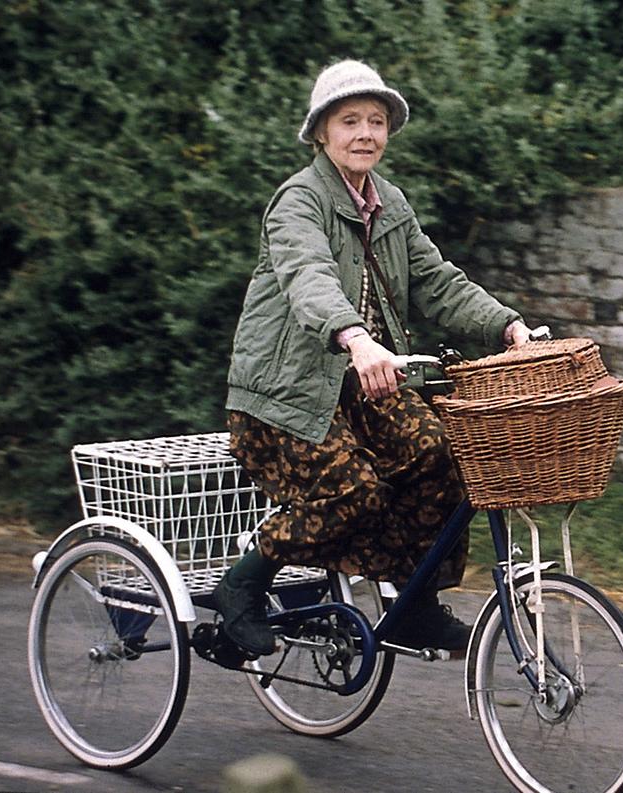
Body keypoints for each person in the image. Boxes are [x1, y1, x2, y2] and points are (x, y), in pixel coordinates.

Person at [215, 59, 531, 658]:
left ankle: (413, 602)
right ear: (321, 132)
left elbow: (437, 281)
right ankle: (243, 584)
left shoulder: (389, 203)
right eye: (350, 120)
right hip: (284, 396)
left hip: (362, 390)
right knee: (353, 489)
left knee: (444, 455)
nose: (365, 133)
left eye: (377, 121)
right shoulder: (297, 203)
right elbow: (308, 275)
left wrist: (507, 324)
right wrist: (356, 339)